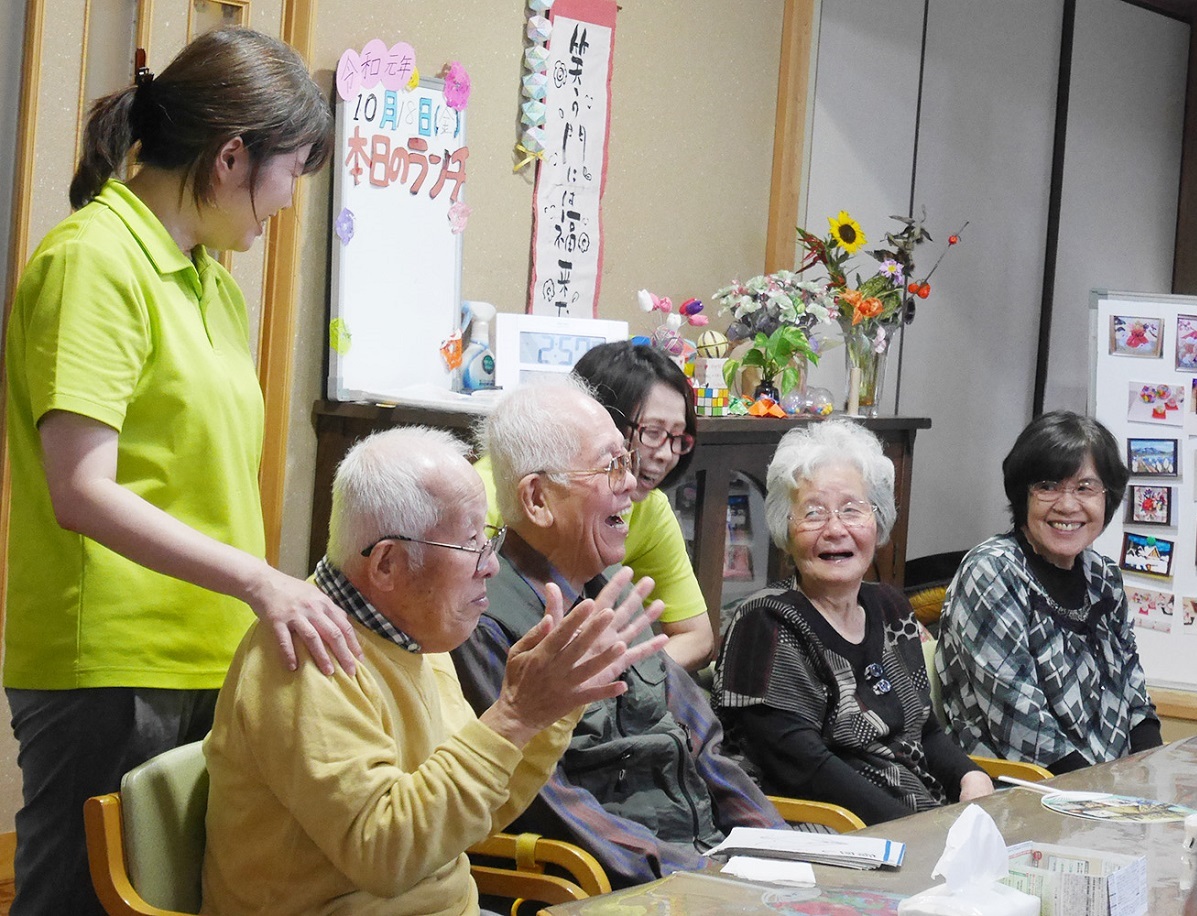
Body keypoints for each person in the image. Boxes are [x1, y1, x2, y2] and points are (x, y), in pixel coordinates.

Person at [3, 28, 360, 915]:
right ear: (232, 156)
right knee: (82, 900)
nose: (285, 206)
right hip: (113, 664)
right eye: (289, 177)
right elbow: (80, 490)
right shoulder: (93, 260)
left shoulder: (211, 280)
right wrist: (260, 581)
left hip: (209, 652)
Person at [202, 427, 665, 914]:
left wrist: (552, 708)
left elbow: (479, 814)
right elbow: (385, 854)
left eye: (492, 541)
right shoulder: (307, 654)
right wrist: (513, 716)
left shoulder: (415, 631)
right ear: (388, 564)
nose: (492, 567)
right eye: (472, 545)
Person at [453, 378, 788, 889]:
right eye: (611, 466)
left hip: (712, 869)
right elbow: (548, 802)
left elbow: (706, 749)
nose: (632, 484)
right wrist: (701, 879)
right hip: (618, 887)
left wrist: (783, 854)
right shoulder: (485, 622)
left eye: (626, 463)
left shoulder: (610, 591)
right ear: (538, 499)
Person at [713, 419, 993, 826]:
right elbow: (805, 769)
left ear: (876, 520)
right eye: (812, 513)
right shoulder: (766, 623)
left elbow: (925, 729)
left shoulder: (891, 607)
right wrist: (919, 833)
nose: (835, 530)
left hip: (919, 819)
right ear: (785, 531)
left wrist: (971, 776)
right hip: (830, 832)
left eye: (851, 510)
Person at [936, 411, 1162, 773]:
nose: (1068, 505)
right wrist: (1106, 796)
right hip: (1020, 792)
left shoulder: (1103, 576)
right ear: (1022, 494)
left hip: (1109, 787)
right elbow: (1020, 723)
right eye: (1048, 486)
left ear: (1109, 497)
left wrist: (1151, 776)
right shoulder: (992, 571)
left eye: (1086, 488)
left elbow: (1134, 694)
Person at [476, 342, 713, 670]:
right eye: (653, 433)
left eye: (678, 438)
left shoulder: (649, 507)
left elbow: (697, 636)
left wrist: (626, 676)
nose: (666, 454)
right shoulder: (483, 501)